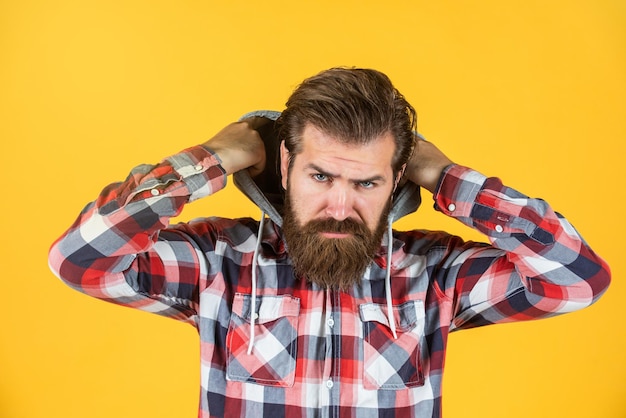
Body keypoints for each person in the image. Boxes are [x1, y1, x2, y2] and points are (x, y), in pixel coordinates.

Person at [48, 67, 611, 418]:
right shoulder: (217, 263)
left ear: (396, 179)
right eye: (321, 177)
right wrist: (210, 162)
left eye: (365, 182)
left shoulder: (435, 275)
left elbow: (577, 280)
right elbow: (80, 259)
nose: (340, 208)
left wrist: (446, 177)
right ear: (287, 164)